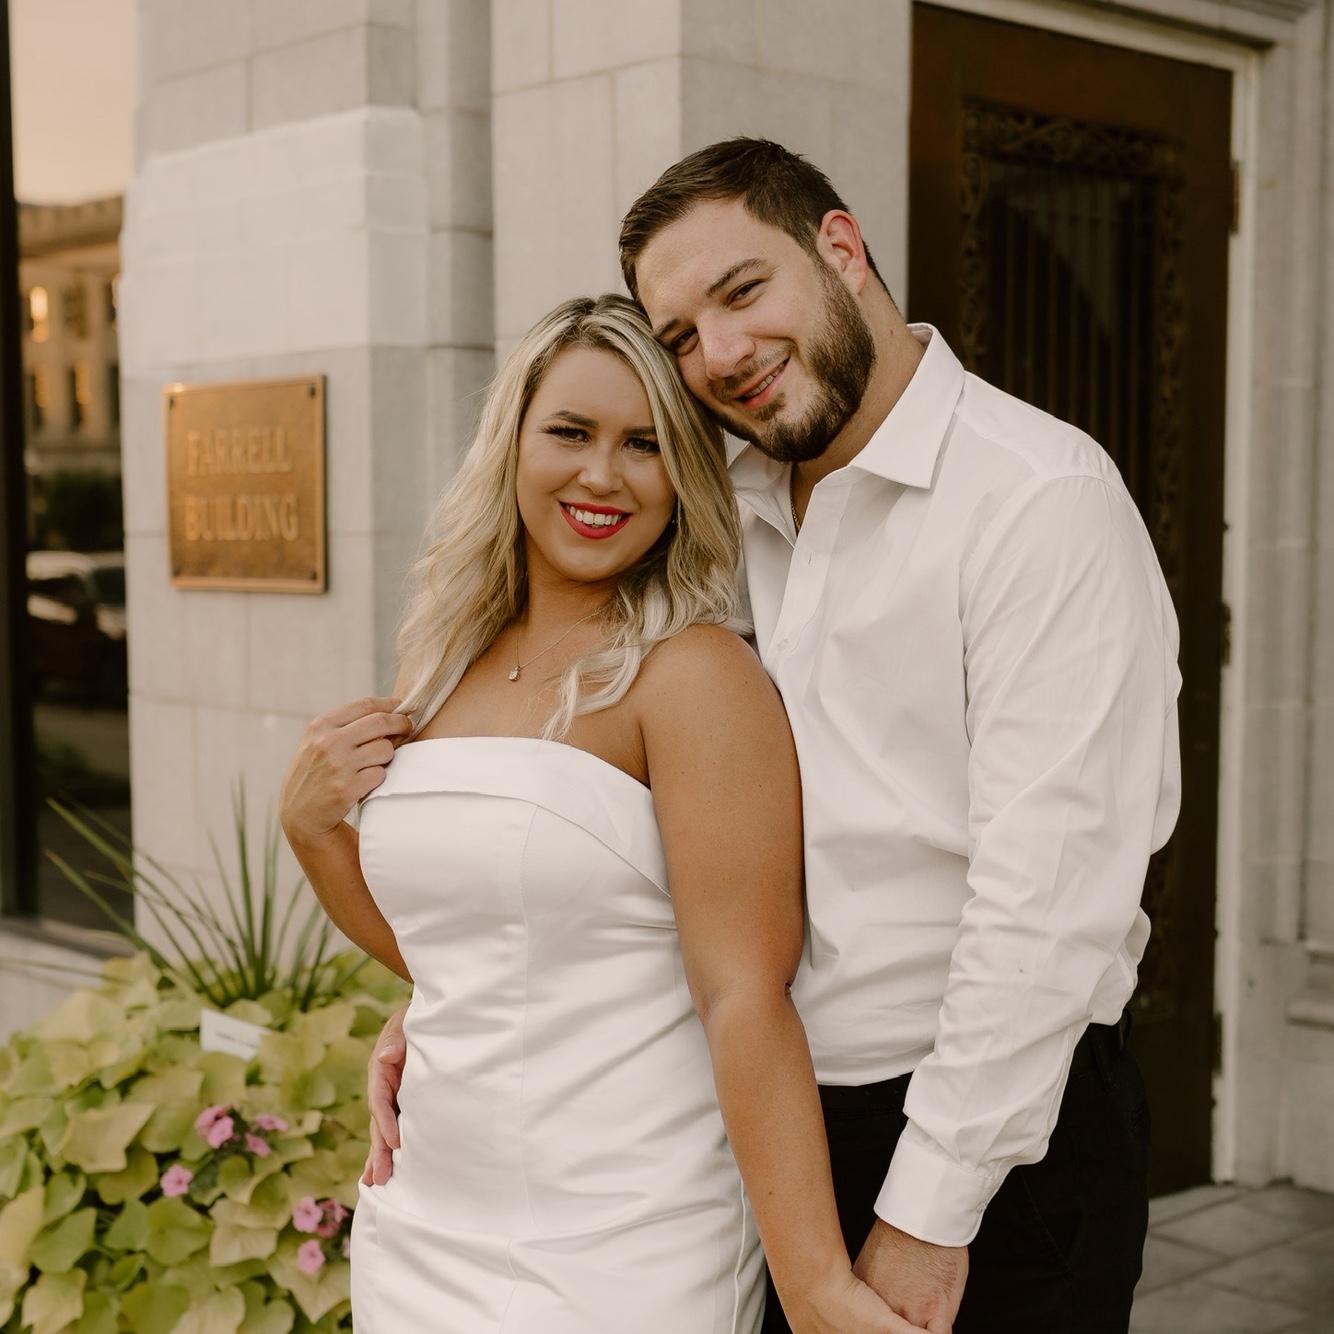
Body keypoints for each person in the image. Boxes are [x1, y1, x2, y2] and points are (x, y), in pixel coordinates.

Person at [368, 140, 1182, 1334]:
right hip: (762, 1125)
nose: (720, 352)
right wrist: (462, 990)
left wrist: (926, 1214)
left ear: (839, 247)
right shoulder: (732, 512)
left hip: (985, 1144)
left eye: (742, 290)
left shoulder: (1036, 500)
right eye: (681, 333)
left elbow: (1046, 911)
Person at [280, 295, 925, 1333]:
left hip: (626, 1239)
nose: (601, 475)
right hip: (424, 1216)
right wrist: (312, 833)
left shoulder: (695, 676)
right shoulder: (440, 662)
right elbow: (466, 951)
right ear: (512, 443)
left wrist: (813, 1286)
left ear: (684, 473)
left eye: (644, 444)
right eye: (571, 432)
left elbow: (745, 997)